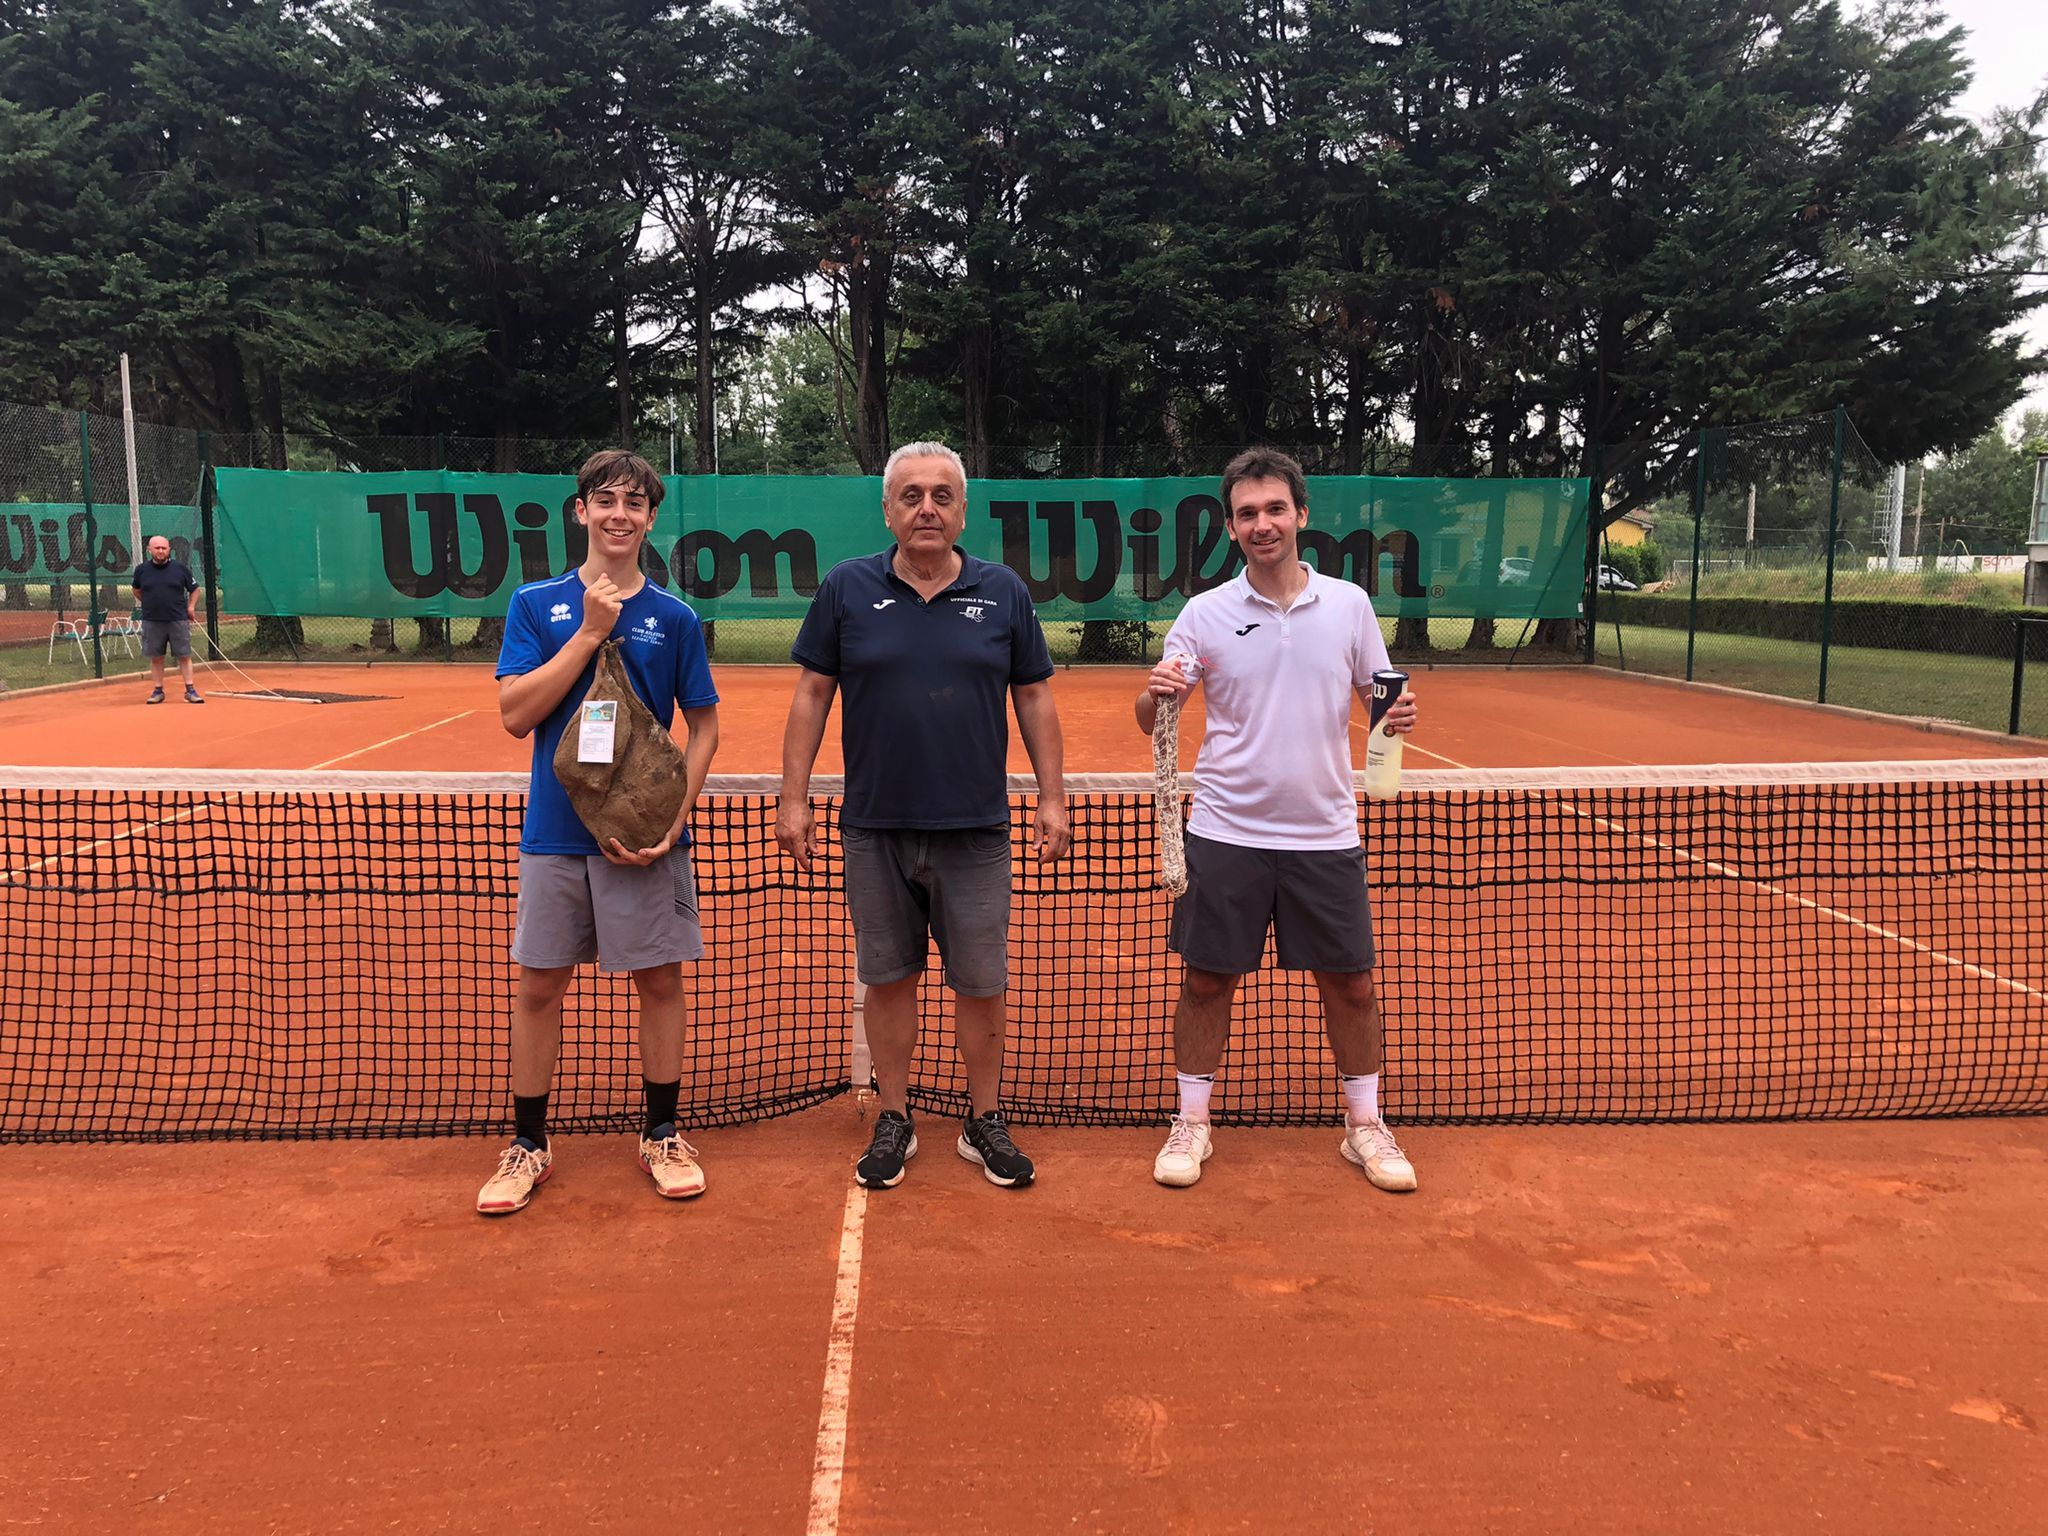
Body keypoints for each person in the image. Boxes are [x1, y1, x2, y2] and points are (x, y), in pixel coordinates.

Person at [777, 441, 1070, 1191]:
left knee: (981, 984)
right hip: (875, 826)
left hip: (976, 828)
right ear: (888, 510)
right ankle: (896, 1116)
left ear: (962, 510)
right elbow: (812, 693)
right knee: (889, 978)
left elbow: (1033, 696)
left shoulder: (1002, 591)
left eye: (942, 495)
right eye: (911, 495)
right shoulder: (847, 588)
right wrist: (793, 794)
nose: (928, 507)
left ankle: (983, 1119)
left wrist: (1053, 794)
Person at [1136, 448, 1420, 1191]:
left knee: (1353, 986)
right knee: (1205, 983)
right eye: (1247, 514)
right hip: (1226, 832)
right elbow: (1151, 719)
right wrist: (1156, 689)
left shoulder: (1351, 606)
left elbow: (1379, 702)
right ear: (1231, 528)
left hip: (1326, 834)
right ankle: (1192, 1123)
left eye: (1274, 509)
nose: (1263, 524)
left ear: (1301, 514)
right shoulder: (1205, 615)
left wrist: (1397, 718)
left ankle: (1364, 1126)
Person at [477, 448, 721, 1216]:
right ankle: (528, 1145)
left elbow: (706, 727)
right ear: (579, 511)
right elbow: (517, 715)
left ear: (651, 519)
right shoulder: (534, 604)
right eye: (605, 499)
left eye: (636, 503)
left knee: (660, 982)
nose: (621, 514)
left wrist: (675, 819)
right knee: (540, 986)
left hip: (644, 840)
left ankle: (661, 1133)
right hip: (554, 836)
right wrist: (588, 634)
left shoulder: (676, 618)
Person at [131, 535, 203, 703]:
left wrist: (191, 607)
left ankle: (190, 690)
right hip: (152, 620)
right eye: (157, 548)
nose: (161, 551)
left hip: (177, 619)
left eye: (164, 548)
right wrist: (150, 603)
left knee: (184, 655)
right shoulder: (141, 570)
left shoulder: (180, 568)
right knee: (156, 657)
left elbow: (195, 589)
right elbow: (136, 590)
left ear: (169, 549)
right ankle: (158, 691)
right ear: (150, 550)